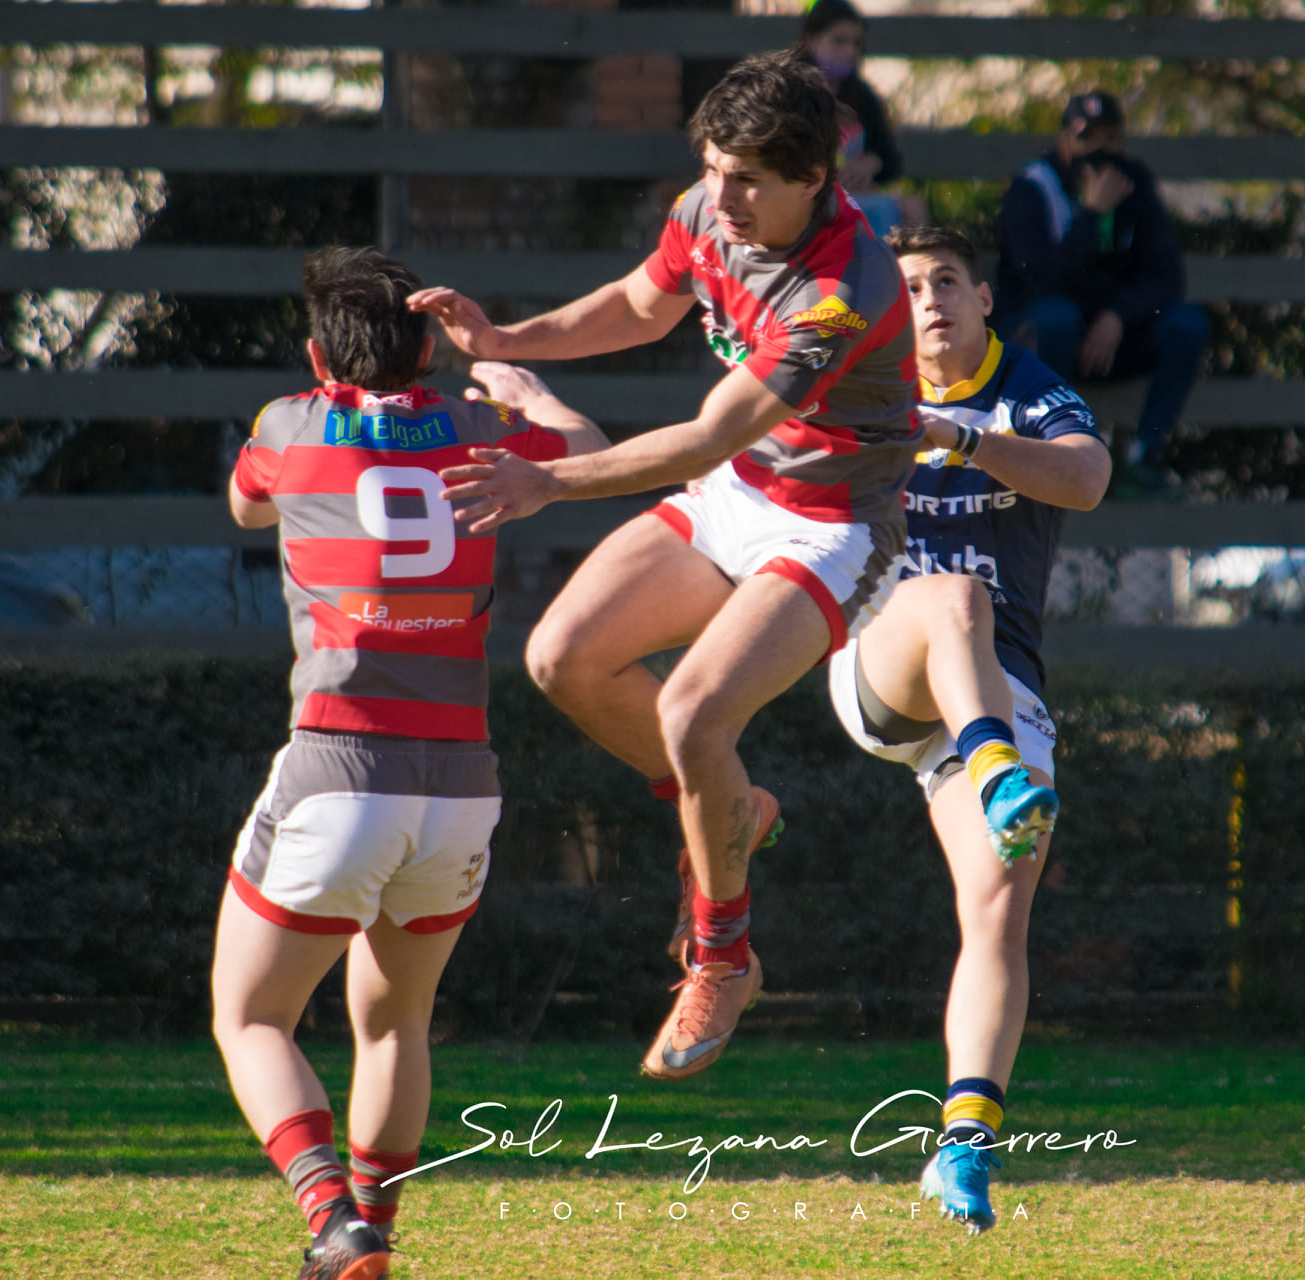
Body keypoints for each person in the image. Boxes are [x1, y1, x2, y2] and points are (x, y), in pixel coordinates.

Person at [411, 53, 1047, 1082]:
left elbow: (707, 434)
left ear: (814, 179)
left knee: (693, 716)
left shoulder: (843, 292)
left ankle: (723, 954)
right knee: (561, 657)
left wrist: (550, 484)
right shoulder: (711, 207)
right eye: (712, 168)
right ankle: (731, 808)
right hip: (739, 492)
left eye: (747, 178)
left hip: (831, 524)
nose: (722, 196)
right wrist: (503, 334)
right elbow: (640, 301)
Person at [212, 247, 606, 1280]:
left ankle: (330, 1216)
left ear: (312, 351)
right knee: (394, 1021)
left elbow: (245, 505)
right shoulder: (482, 428)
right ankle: (372, 1239)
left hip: (338, 762)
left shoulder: (288, 425)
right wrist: (525, 385)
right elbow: (585, 451)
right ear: (428, 345)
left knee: (249, 1012)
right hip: (461, 779)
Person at [832, 224, 1110, 1232]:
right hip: (883, 665)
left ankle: (963, 1144)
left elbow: (1083, 478)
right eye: (905, 287)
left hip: (997, 688)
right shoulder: (861, 390)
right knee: (948, 594)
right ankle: (996, 770)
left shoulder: (1026, 388)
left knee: (996, 902)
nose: (928, 300)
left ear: (984, 297)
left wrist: (956, 435)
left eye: (945, 281)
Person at [995, 91, 1210, 498]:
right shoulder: (1031, 190)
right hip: (1041, 337)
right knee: (1056, 316)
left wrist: (1117, 315)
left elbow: (1166, 278)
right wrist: (1091, 215)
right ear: (1064, 142)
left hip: (1112, 337)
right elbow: (1040, 281)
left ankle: (1144, 456)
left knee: (1187, 324)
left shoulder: (1136, 184)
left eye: (1110, 138)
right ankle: (1051, 453)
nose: (1099, 150)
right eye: (1086, 137)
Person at [796, 0, 907, 238]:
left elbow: (889, 160)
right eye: (839, 41)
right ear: (811, 39)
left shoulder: (861, 95)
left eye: (856, 43)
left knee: (910, 208)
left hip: (857, 195)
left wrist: (868, 165)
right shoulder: (792, 91)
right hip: (808, 196)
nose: (850, 51)